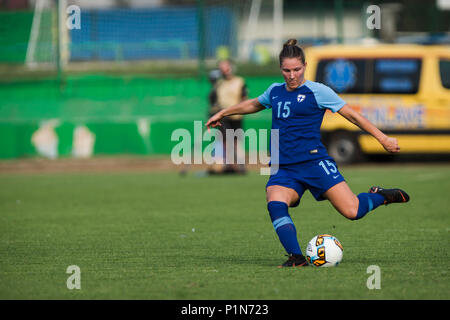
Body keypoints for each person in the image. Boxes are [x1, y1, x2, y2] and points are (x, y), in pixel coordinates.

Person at [206, 39, 410, 267]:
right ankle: (296, 257)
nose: (292, 75)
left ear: (304, 65)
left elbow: (352, 115)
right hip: (284, 167)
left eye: (297, 69)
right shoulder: (274, 91)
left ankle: (380, 196)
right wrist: (223, 112)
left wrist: (382, 138)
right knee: (275, 201)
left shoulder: (318, 91)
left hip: (314, 163)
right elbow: (254, 104)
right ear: (280, 69)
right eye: (286, 70)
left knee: (353, 211)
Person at [209, 59, 248, 174]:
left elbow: (244, 98)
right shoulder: (219, 83)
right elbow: (214, 99)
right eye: (221, 69)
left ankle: (239, 165)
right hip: (224, 117)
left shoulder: (239, 81)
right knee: (225, 140)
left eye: (226, 68)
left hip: (236, 116)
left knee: (236, 141)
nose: (224, 71)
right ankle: (229, 165)